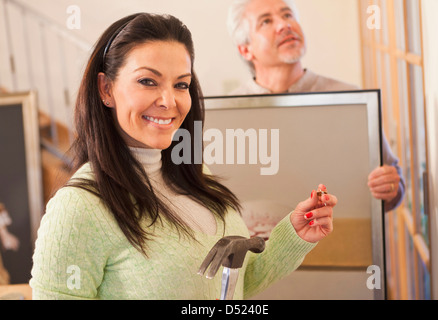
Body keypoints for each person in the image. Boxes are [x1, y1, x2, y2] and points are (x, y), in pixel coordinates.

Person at [30, 13, 336, 300]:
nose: (168, 101)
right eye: (148, 81)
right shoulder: (79, 207)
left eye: (181, 85)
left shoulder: (195, 173)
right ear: (106, 88)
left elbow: (233, 284)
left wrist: (295, 234)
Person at [227, 0, 405, 211]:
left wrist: (390, 187)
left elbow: (394, 183)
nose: (285, 25)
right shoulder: (228, 115)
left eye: (288, 15)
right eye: (266, 21)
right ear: (245, 49)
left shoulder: (351, 100)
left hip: (343, 238)